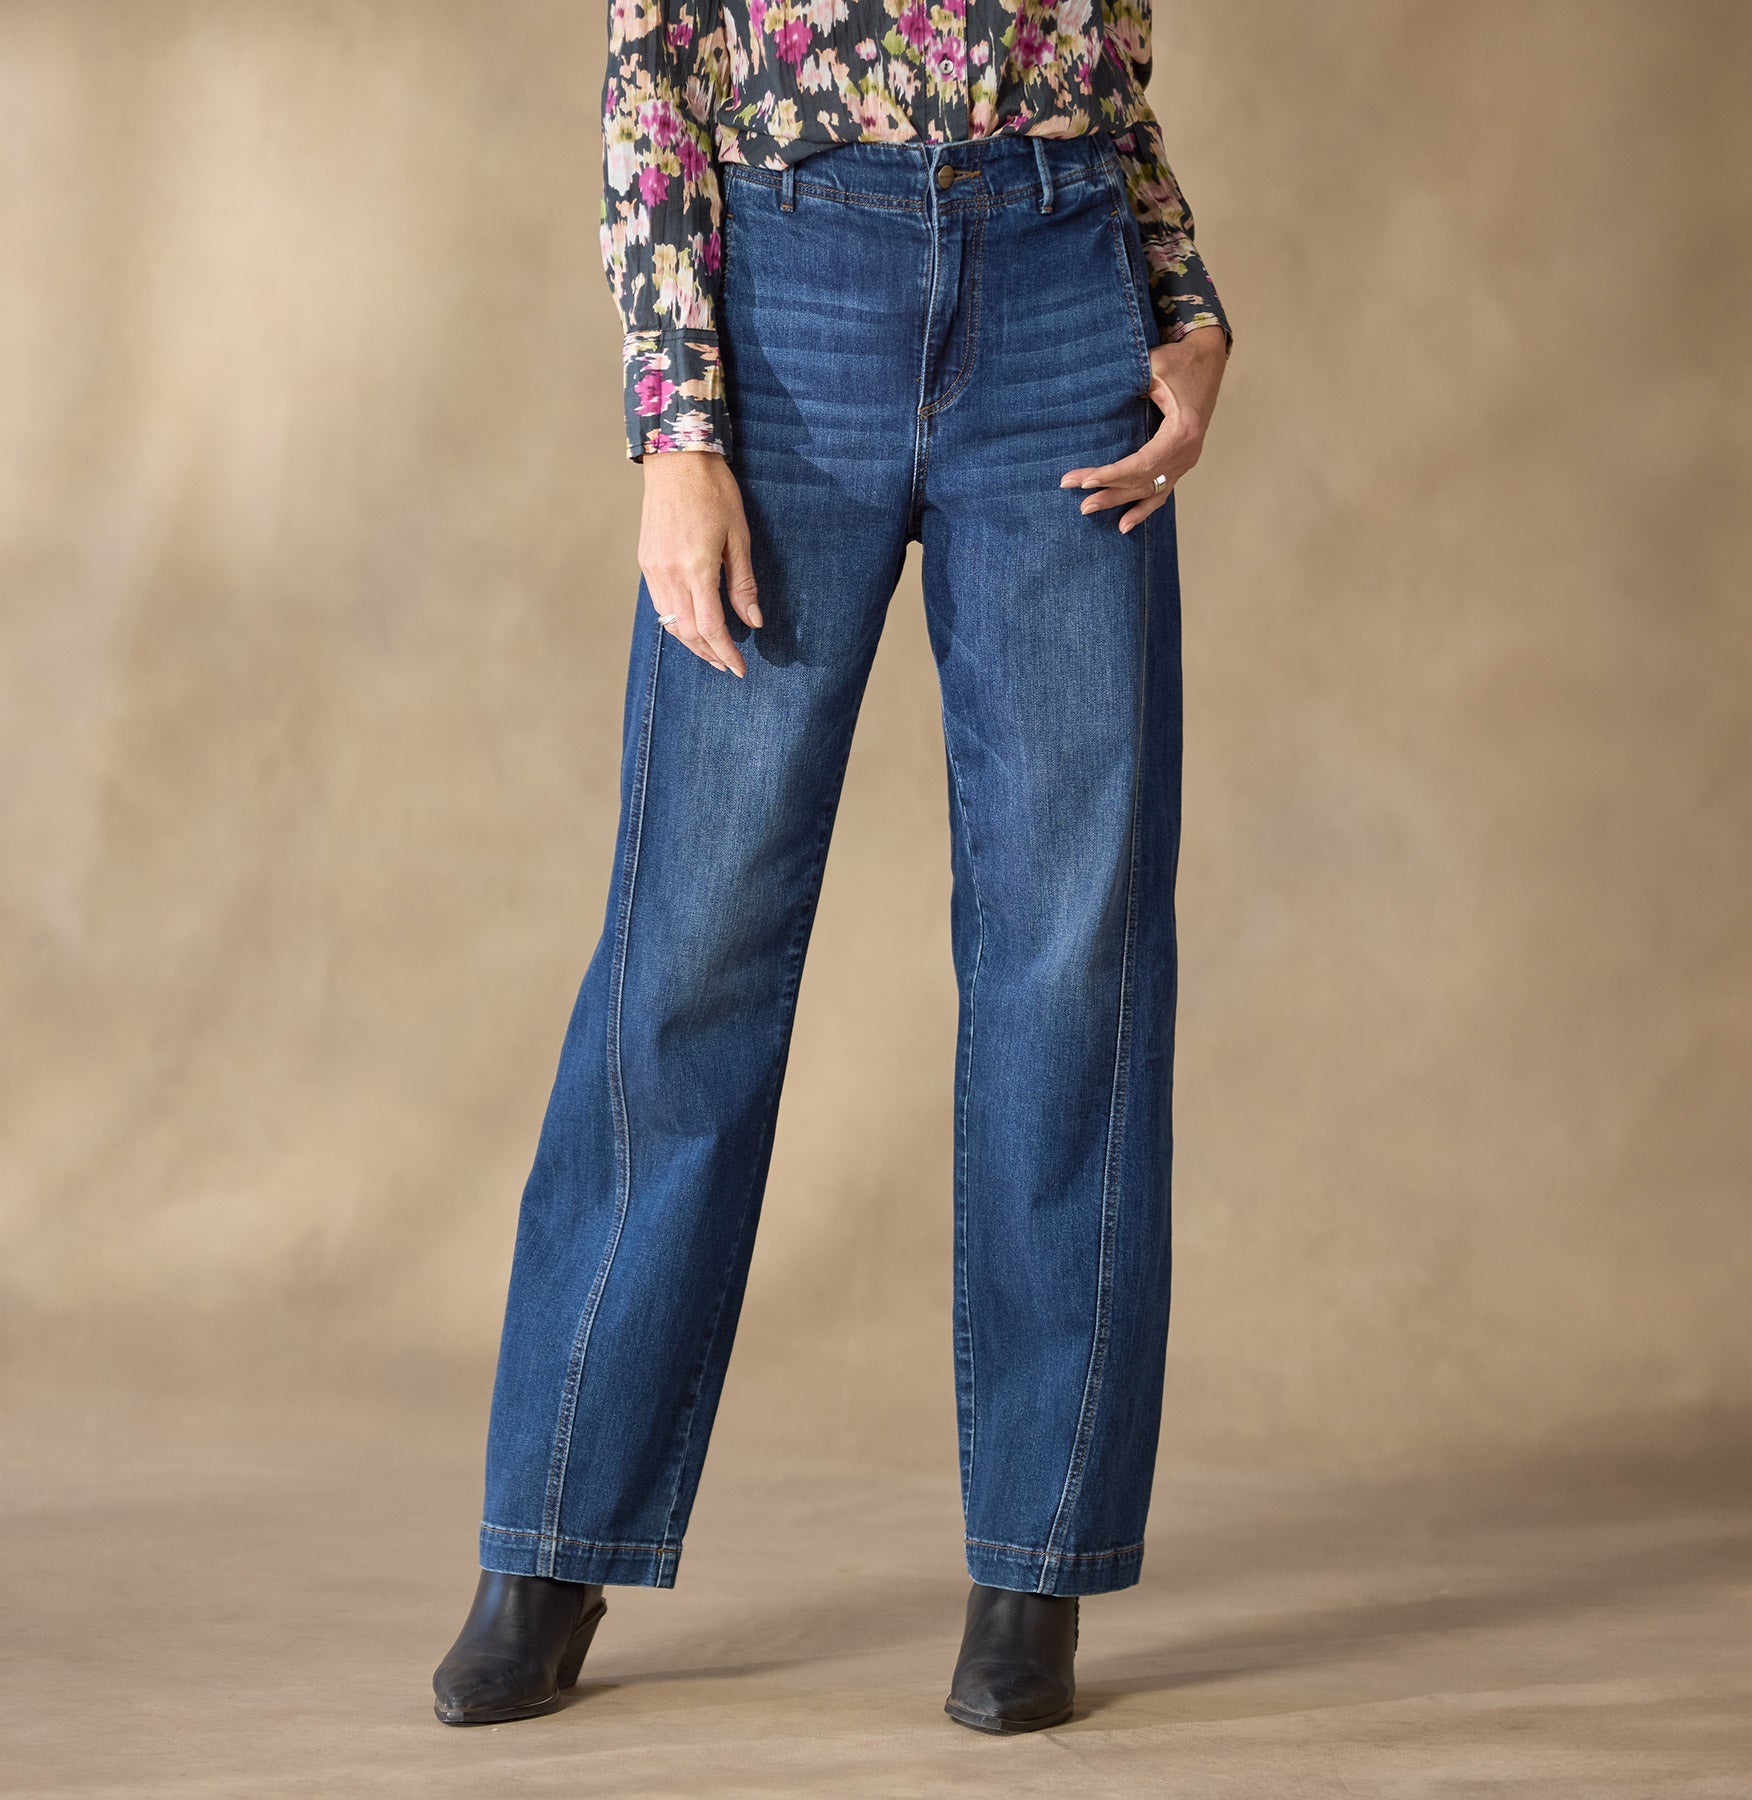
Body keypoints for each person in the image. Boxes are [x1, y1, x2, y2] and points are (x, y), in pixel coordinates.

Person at [432, 0, 1231, 1735]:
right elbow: (656, 66)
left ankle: (1040, 1559)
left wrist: (1179, 294)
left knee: (1072, 952)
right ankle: (554, 1536)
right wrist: (676, 425)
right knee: (694, 940)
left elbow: (1107, 64)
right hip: (790, 290)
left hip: (1062, 287)